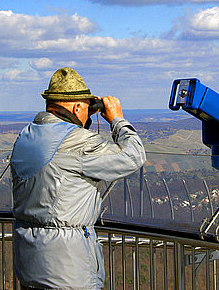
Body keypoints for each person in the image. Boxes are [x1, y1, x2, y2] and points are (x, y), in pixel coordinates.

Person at [10, 67, 146, 289]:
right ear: (77, 106)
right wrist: (118, 120)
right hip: (66, 268)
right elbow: (134, 156)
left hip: (29, 260)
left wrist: (80, 119)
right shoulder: (77, 142)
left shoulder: (26, 136)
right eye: (85, 107)